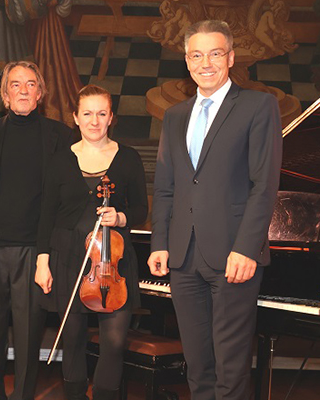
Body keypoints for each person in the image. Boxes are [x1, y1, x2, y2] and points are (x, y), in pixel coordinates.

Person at [147, 20, 282, 400]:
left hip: (233, 257)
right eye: (196, 54)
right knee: (198, 364)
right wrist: (160, 243)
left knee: (231, 365)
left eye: (215, 53)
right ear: (187, 61)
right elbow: (166, 187)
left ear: (231, 58)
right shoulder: (174, 116)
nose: (205, 62)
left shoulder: (258, 105)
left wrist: (247, 247)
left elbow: (264, 185)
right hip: (182, 257)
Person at [34, 85, 147, 400]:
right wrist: (42, 263)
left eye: (101, 113)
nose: (94, 121)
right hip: (67, 258)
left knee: (113, 343)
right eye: (87, 113)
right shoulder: (59, 160)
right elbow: (46, 216)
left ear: (111, 117)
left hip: (113, 262)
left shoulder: (127, 158)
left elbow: (141, 209)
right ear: (76, 117)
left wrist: (120, 218)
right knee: (72, 342)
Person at [0, 60, 73, 400]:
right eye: (15, 84)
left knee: (29, 336)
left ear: (40, 93)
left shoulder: (59, 135)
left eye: (30, 84)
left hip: (35, 249)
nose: (23, 90)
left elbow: (63, 196)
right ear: (4, 94)